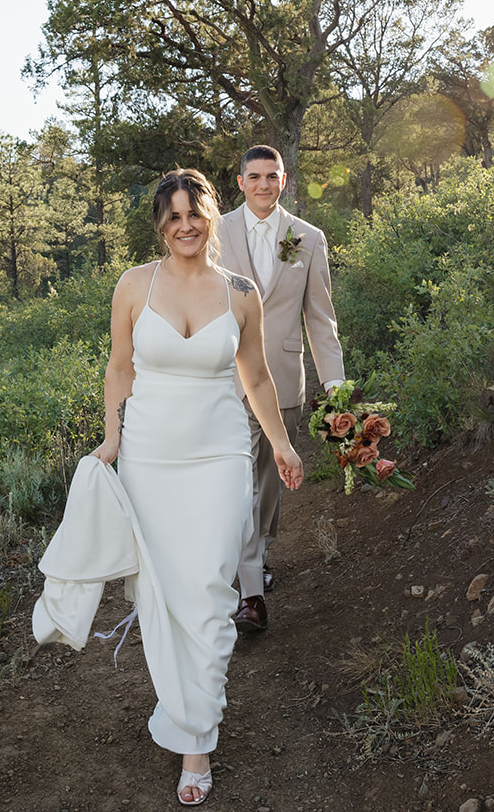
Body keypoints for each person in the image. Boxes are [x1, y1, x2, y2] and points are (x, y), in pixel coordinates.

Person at [89, 168, 303, 807]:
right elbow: (119, 368)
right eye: (173, 216)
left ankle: (196, 740)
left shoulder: (241, 293)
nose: (186, 226)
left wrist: (284, 444)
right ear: (160, 225)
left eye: (196, 213)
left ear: (213, 215)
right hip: (149, 457)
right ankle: (182, 704)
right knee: (163, 592)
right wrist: (111, 438)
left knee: (210, 588)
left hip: (220, 453)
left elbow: (258, 379)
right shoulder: (132, 286)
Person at [216, 145, 345, 632]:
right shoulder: (217, 231)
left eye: (272, 176)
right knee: (238, 482)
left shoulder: (308, 239)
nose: (264, 184)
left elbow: (320, 317)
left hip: (284, 379)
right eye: (255, 176)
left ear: (284, 180)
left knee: (267, 486)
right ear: (241, 180)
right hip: (225, 379)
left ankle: (255, 559)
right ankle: (251, 594)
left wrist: (336, 387)